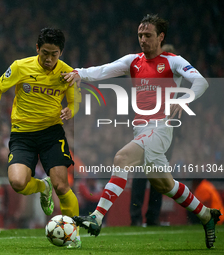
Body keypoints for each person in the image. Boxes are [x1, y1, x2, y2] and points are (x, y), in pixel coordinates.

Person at [64, 14, 221, 249]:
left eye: (148, 35)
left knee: (121, 158)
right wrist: (79, 73)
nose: (143, 40)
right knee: (164, 185)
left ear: (161, 37)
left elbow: (201, 81)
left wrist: (185, 98)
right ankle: (207, 215)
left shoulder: (173, 61)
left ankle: (96, 217)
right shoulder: (132, 61)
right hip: (140, 130)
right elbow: (104, 70)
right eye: (140, 35)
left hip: (160, 128)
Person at [0, 28, 82, 248]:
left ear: (61, 52)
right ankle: (42, 187)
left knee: (61, 185)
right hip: (23, 134)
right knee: (18, 182)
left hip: (51, 133)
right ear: (37, 48)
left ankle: (73, 235)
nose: (49, 58)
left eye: (54, 54)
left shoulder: (67, 72)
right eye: (45, 52)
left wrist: (71, 111)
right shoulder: (21, 66)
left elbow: (75, 100)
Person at [129, 43, 178, 227]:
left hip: (165, 130)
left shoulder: (174, 73)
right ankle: (135, 218)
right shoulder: (144, 71)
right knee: (141, 174)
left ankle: (152, 217)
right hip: (146, 128)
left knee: (160, 174)